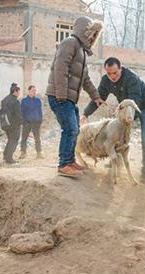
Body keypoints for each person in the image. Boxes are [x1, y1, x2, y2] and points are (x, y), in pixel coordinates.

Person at [81, 57, 145, 183]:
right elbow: (99, 99)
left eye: (115, 73)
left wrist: (125, 115)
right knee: (116, 135)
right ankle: (117, 162)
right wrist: (85, 114)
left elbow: (134, 101)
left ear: (120, 69)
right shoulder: (106, 80)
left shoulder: (131, 78)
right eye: (109, 73)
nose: (112, 76)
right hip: (126, 109)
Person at [45, 16, 103, 178]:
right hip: (59, 96)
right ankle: (63, 164)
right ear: (84, 31)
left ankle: (69, 161)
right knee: (70, 129)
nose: (92, 37)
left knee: (75, 129)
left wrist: (96, 96)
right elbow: (60, 69)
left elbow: (85, 79)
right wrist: (62, 95)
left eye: (95, 35)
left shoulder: (82, 52)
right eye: (91, 33)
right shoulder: (69, 43)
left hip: (68, 98)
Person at [20, 85, 43, 159]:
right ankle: (23, 152)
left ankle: (39, 153)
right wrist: (23, 122)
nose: (34, 92)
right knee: (24, 138)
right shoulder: (24, 101)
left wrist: (40, 120)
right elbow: (22, 112)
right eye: (33, 90)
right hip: (27, 122)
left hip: (36, 122)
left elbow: (40, 111)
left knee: (37, 138)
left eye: (35, 91)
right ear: (29, 91)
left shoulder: (38, 100)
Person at [0, 84, 22, 164]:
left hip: (6, 124)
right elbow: (18, 114)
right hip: (14, 124)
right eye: (18, 92)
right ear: (15, 92)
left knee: (10, 140)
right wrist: (21, 122)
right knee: (14, 140)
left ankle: (5, 155)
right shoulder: (15, 101)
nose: (19, 93)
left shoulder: (5, 99)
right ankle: (9, 159)